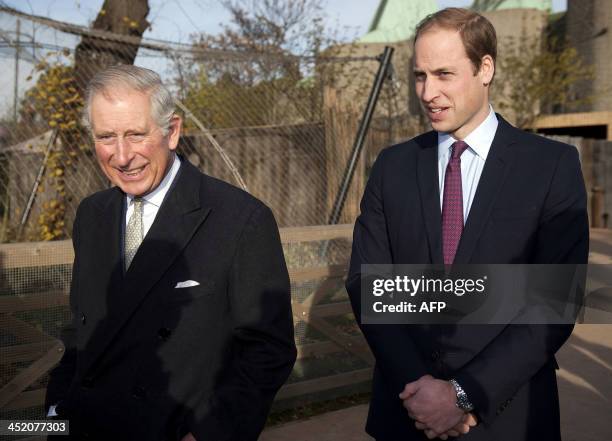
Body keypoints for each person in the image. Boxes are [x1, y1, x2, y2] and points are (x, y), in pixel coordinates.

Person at [346, 8, 588, 441]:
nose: (428, 91)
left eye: (444, 74)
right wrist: (422, 394)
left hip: (509, 414)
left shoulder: (551, 165)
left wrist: (464, 395)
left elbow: (554, 302)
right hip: (406, 411)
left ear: (485, 68)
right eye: (420, 75)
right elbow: (367, 284)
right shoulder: (392, 166)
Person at [45, 65, 297, 441]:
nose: (122, 155)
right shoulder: (91, 214)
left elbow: (267, 349)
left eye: (135, 134)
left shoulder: (241, 219)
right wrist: (53, 416)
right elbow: (80, 329)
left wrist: (211, 434)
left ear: (172, 131)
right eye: (105, 137)